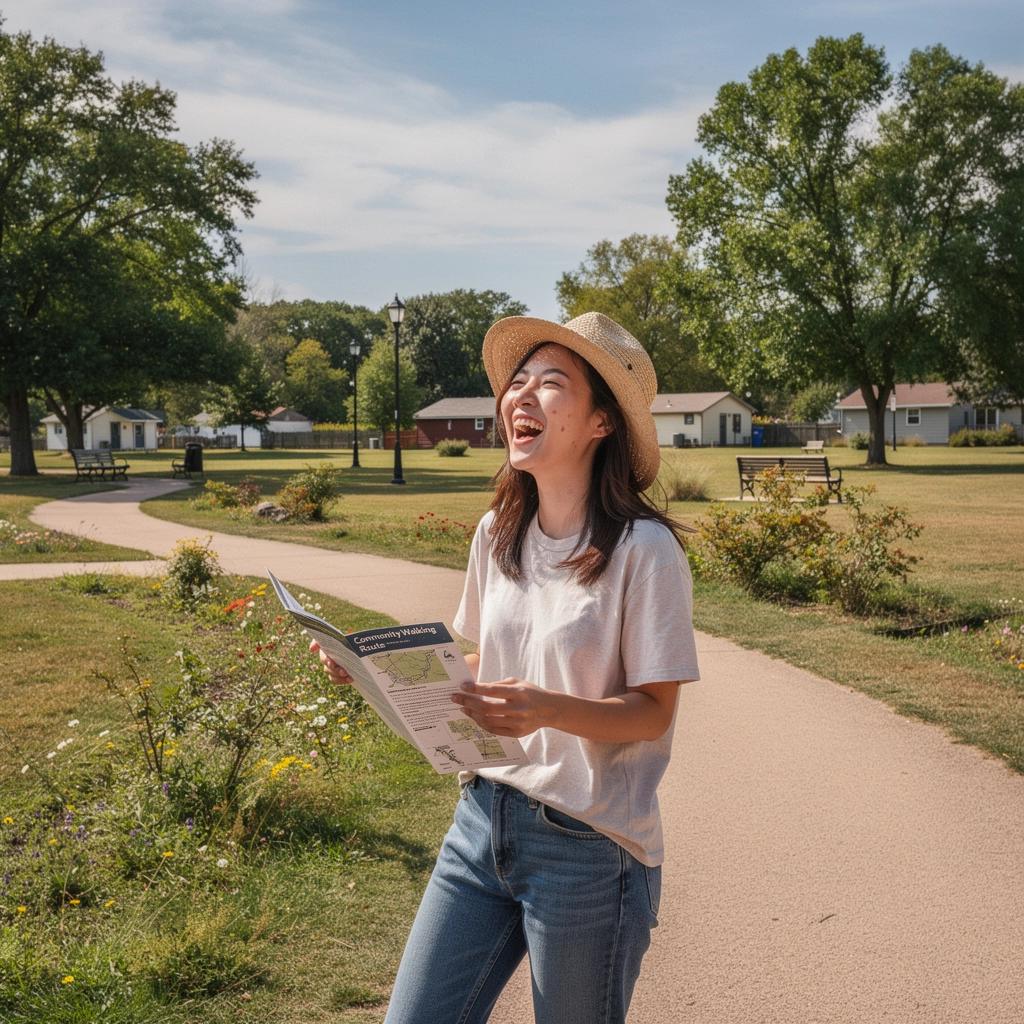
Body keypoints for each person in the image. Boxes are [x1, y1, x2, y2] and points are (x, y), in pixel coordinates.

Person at [313, 311, 700, 1023]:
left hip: (590, 848)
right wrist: (382, 668)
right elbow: (490, 667)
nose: (522, 396)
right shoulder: (498, 532)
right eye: (517, 381)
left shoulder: (645, 551)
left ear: (601, 424)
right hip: (480, 823)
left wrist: (548, 707)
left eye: (553, 385)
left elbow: (654, 712)